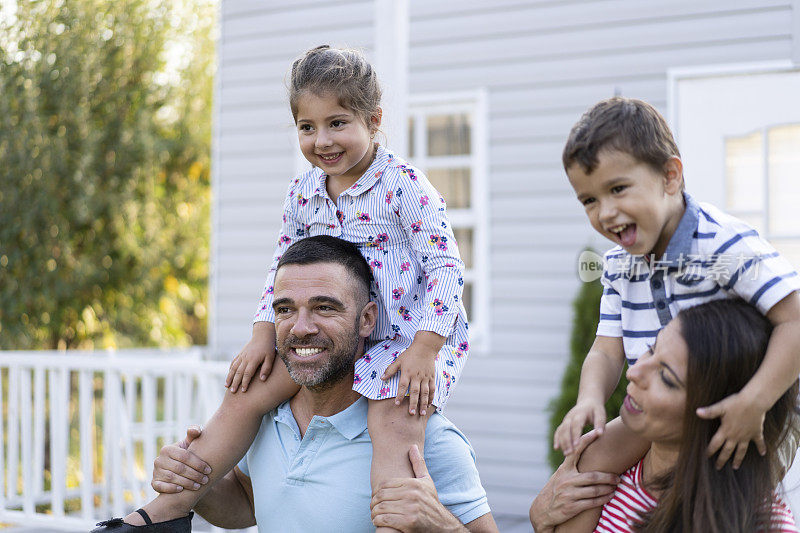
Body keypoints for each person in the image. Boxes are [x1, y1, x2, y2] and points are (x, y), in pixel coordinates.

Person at [95, 45, 469, 531]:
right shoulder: (304, 192)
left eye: (338, 123)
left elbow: (447, 267)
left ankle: (394, 523)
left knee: (393, 424)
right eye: (307, 127)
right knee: (246, 390)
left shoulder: (406, 187)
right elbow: (281, 265)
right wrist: (261, 334)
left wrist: (426, 348)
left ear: (373, 120)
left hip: (406, 340)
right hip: (330, 331)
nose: (322, 140)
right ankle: (165, 511)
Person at [95, 236, 496, 532]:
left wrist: (443, 526)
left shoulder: (425, 437)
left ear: (368, 320)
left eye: (324, 307)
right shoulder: (264, 418)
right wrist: (194, 479)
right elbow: (249, 506)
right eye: (285, 310)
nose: (301, 328)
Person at [553, 97, 800, 474]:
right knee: (584, 465)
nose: (605, 213)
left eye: (618, 189)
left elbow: (794, 320)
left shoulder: (723, 245)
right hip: (660, 413)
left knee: (715, 503)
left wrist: (755, 401)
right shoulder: (618, 266)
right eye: (589, 199)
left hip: (734, 414)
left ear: (670, 177)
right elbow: (606, 350)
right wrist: (589, 398)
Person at [535, 299, 799, 532]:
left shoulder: (764, 525)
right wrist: (540, 521)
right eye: (651, 348)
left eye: (665, 377)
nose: (633, 372)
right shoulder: (597, 479)